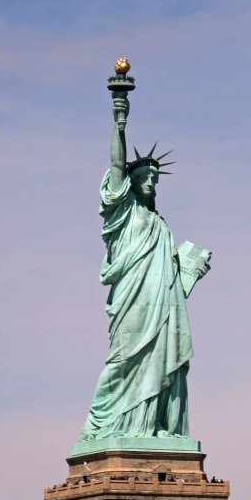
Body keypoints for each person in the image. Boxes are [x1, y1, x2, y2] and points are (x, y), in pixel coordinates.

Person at [78, 91, 210, 441]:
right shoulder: (123, 214)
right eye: (145, 178)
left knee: (166, 360)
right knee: (124, 360)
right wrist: (120, 120)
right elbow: (117, 165)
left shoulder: (160, 224)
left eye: (155, 179)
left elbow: (170, 281)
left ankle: (155, 427)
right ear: (130, 185)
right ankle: (107, 425)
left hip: (165, 308)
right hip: (132, 302)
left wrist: (189, 273)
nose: (152, 182)